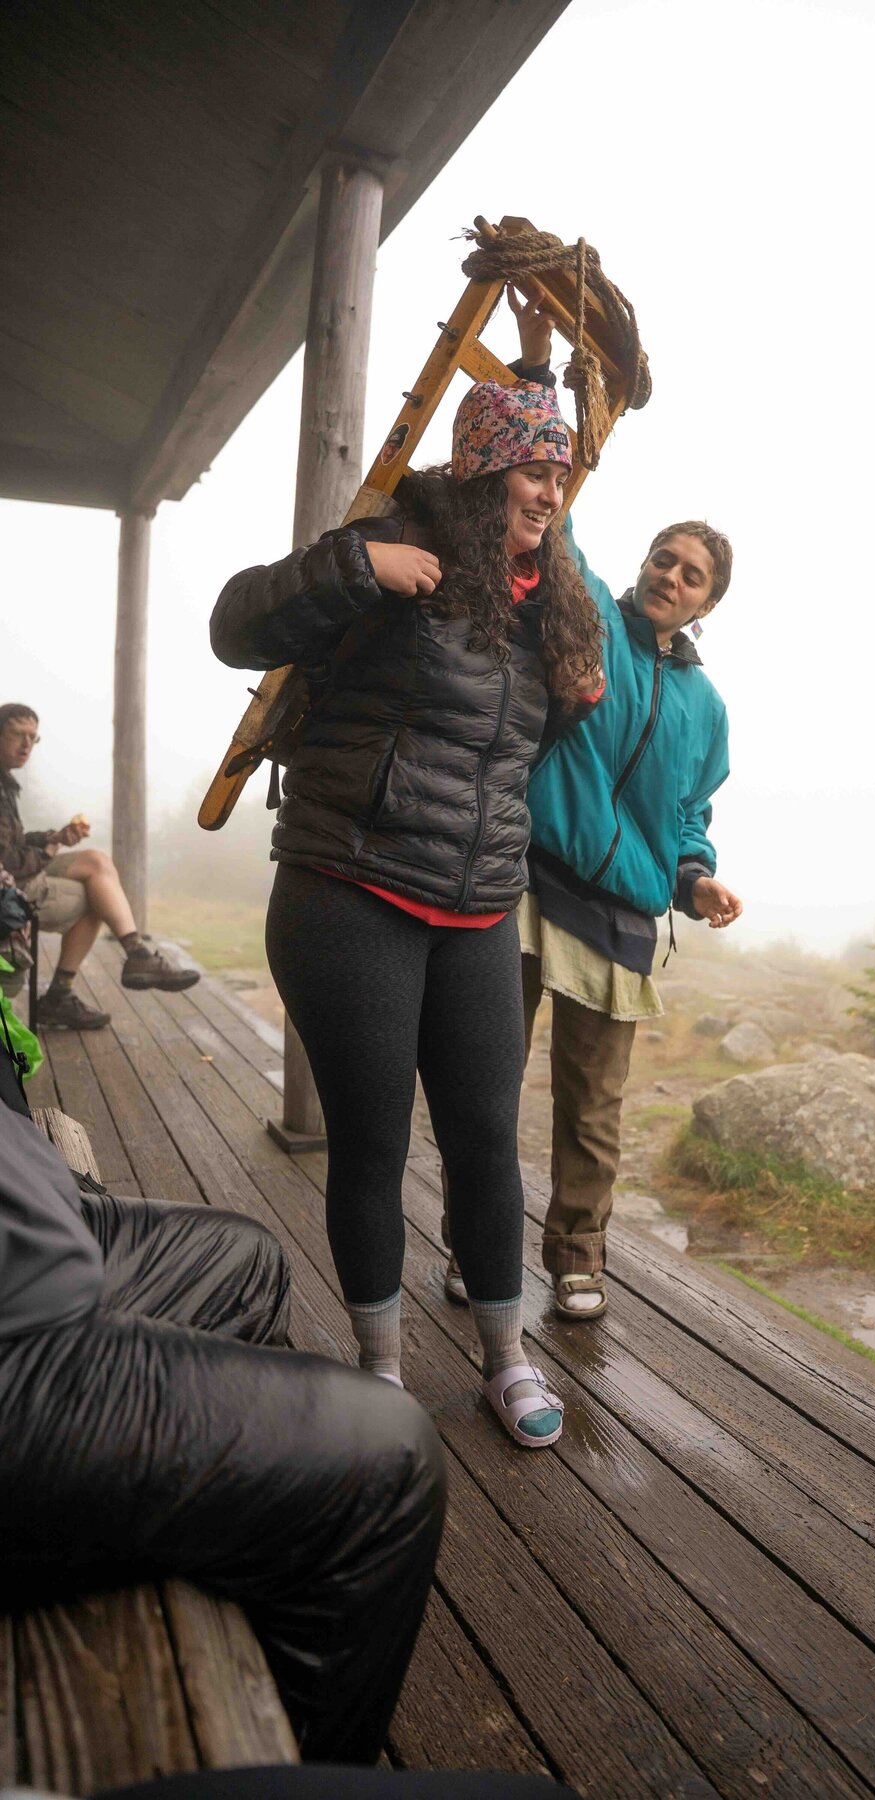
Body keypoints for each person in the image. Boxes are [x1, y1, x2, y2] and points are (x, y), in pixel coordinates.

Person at [210, 373, 602, 1448]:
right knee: (373, 1141)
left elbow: (512, 761)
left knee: (485, 1140)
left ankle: (506, 1359)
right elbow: (234, 625)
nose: (550, 491)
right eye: (533, 468)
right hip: (351, 888)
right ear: (481, 472)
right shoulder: (395, 546)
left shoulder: (552, 600)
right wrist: (358, 566)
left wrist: (573, 682)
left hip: (477, 906)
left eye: (560, 473)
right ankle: (379, 1371)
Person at [0, 1023, 446, 1767]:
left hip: (24, 1216)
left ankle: (237, 1551)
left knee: (248, 1261)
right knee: (390, 1458)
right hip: (18, 1318)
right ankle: (285, 1768)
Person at [443, 289, 742, 1322]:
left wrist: (694, 878)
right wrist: (537, 372)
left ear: (709, 603)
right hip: (529, 882)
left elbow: (692, 813)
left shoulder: (708, 707)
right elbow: (548, 511)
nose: (671, 575)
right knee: (487, 1092)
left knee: (593, 1115)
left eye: (693, 574)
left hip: (621, 914)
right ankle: (475, 1250)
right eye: (666, 558)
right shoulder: (589, 617)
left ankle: (577, 1258)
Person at [0, 702, 200, 1029]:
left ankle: (133, 956)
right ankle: (83, 983)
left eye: (32, 738)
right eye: (17, 734)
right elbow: (8, 861)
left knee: (97, 863)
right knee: (99, 895)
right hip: (8, 890)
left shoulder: (5, 781)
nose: (26, 745)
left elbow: (13, 841)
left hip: (15, 876)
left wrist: (56, 836)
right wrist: (52, 848)